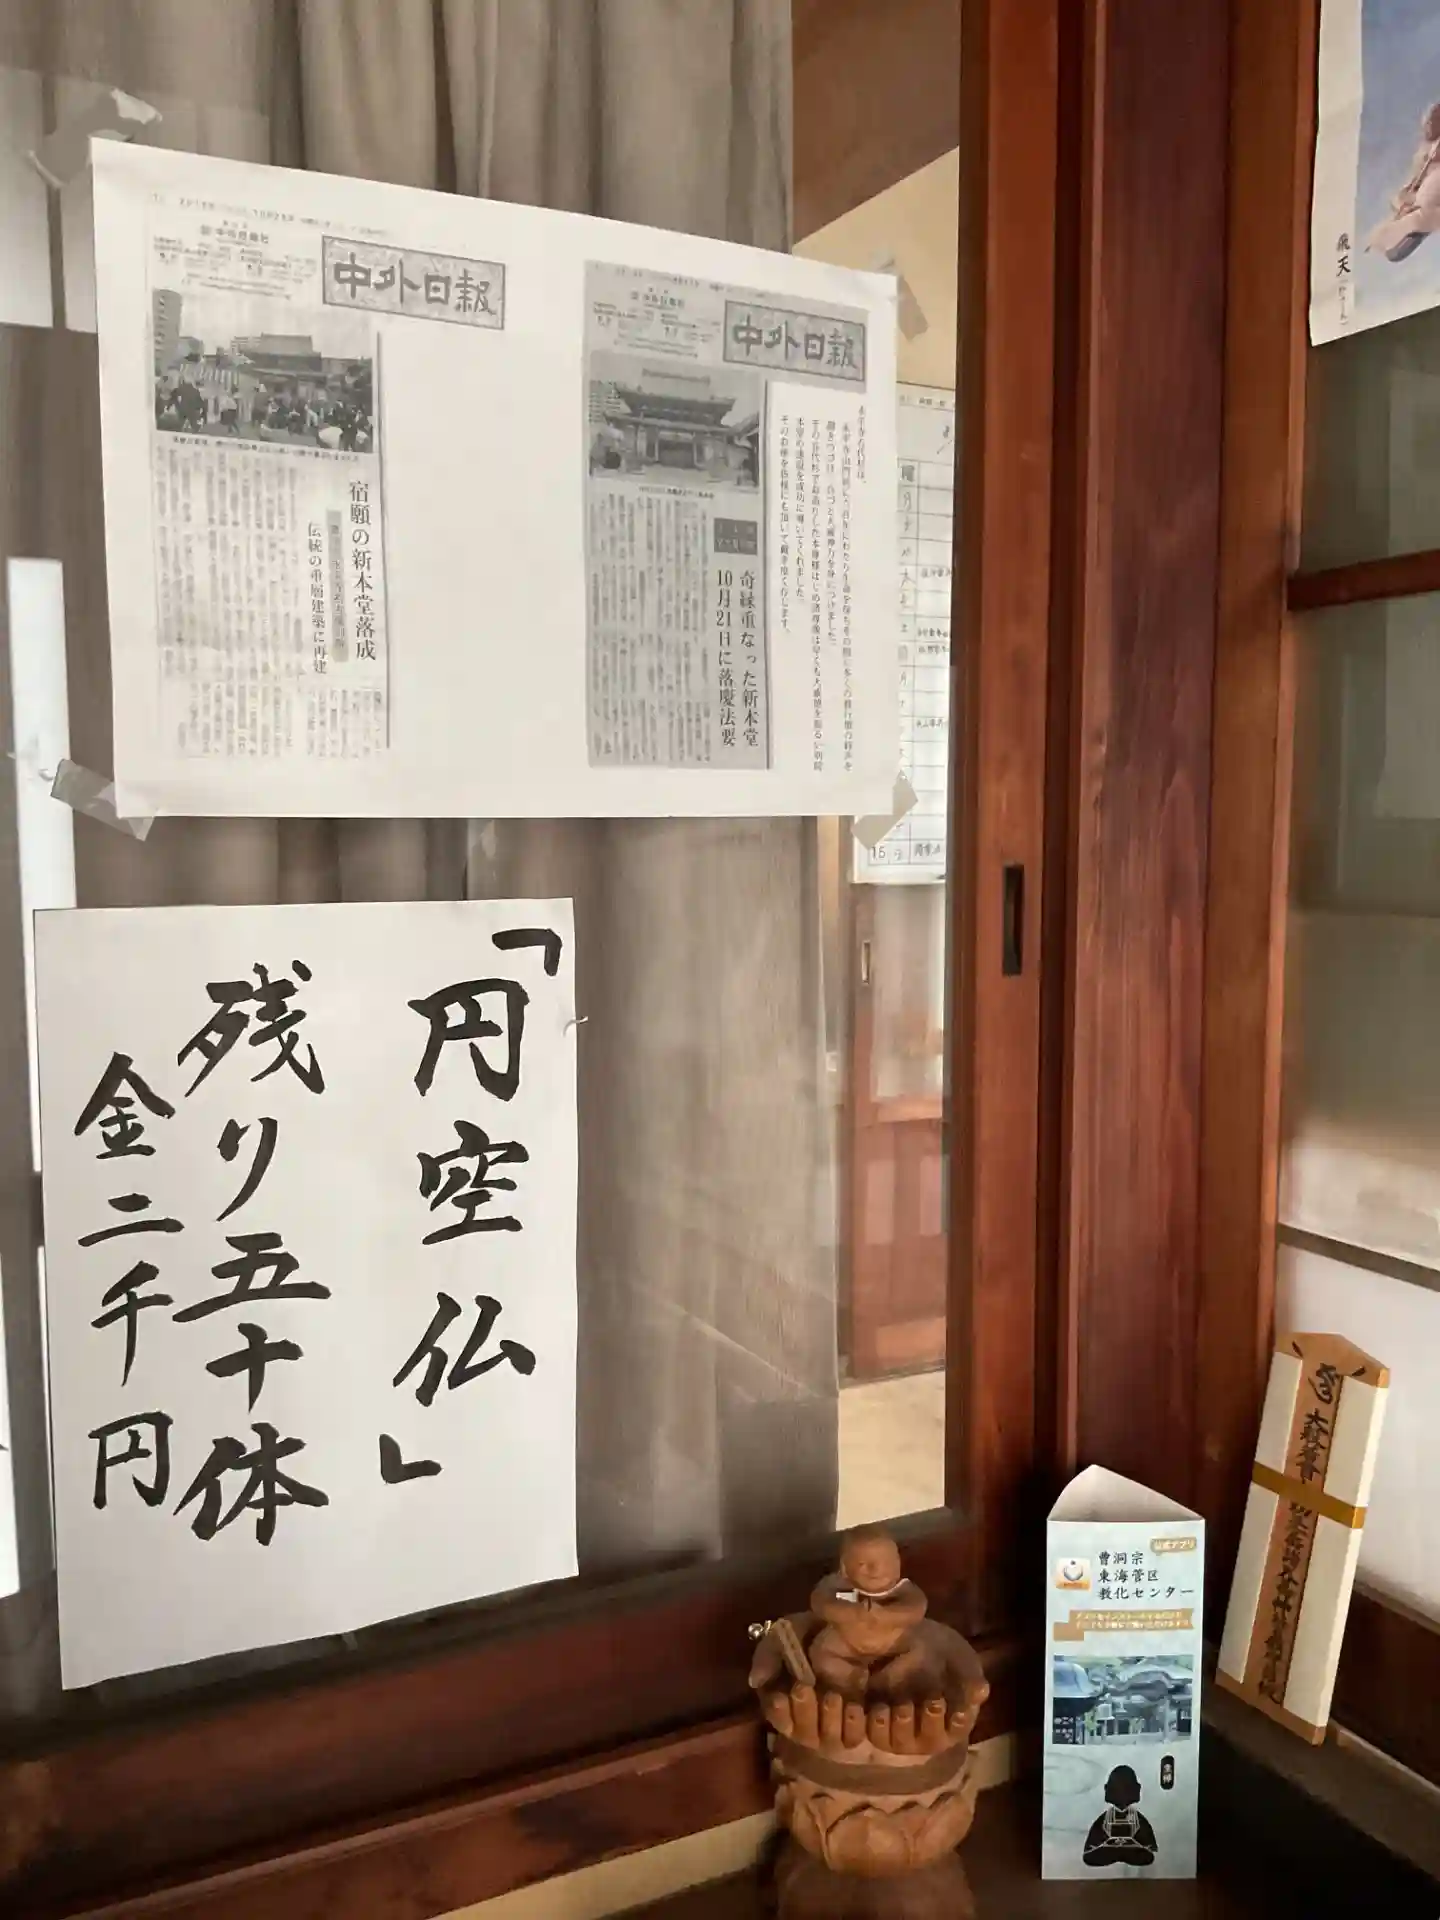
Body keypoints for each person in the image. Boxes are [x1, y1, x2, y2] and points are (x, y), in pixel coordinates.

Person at [1369, 102, 1440, 262]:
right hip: (1418, 200)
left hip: (1427, 209)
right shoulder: (1427, 152)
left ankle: (1405, 227)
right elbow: (1413, 181)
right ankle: (1394, 233)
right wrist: (1405, 198)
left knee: (1418, 214)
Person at [1082, 1765, 1158, 1869]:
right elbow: (1090, 1850)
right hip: (1108, 1852)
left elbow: (1149, 1849)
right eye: (1117, 1788)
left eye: (1125, 1788)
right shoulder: (1103, 1820)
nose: (1121, 1792)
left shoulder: (1139, 1820)